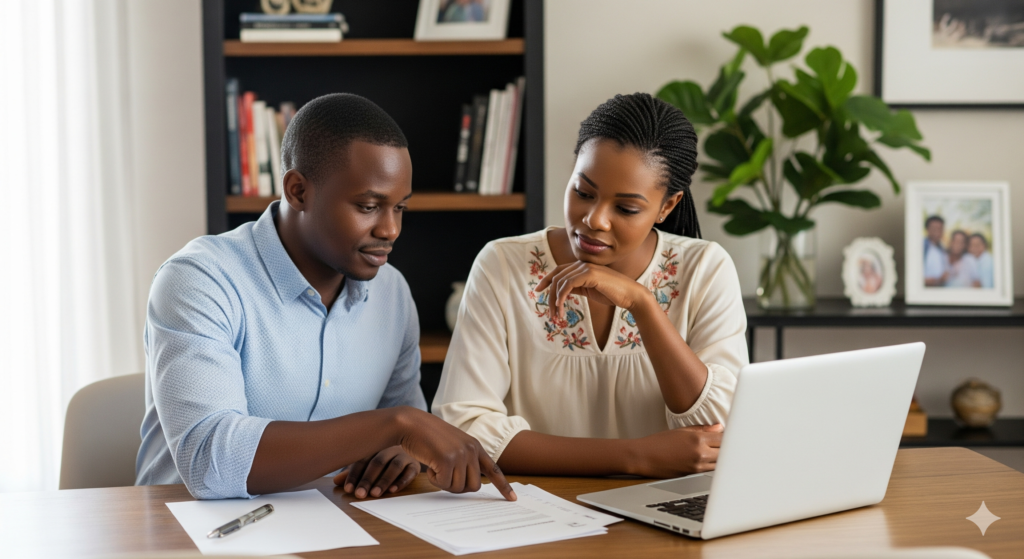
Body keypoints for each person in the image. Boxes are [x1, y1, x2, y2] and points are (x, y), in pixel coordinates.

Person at [136, 94, 515, 502]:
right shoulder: (199, 280)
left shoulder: (392, 294)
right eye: (369, 206)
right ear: (298, 191)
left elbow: (406, 434)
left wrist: (398, 451)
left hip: (337, 525)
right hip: (190, 533)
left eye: (400, 208)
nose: (390, 230)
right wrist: (396, 427)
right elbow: (208, 460)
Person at [432, 93, 746, 478]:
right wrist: (635, 457)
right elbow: (463, 429)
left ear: (667, 206)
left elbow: (722, 430)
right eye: (583, 192)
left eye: (626, 208)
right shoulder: (503, 265)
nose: (594, 220)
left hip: (666, 517)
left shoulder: (705, 269)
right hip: (537, 513)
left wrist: (643, 304)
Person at [923, 215, 947, 287]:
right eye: (934, 229)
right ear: (927, 229)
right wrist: (938, 281)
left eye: (940, 229)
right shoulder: (921, 247)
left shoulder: (943, 249)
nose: (937, 232)